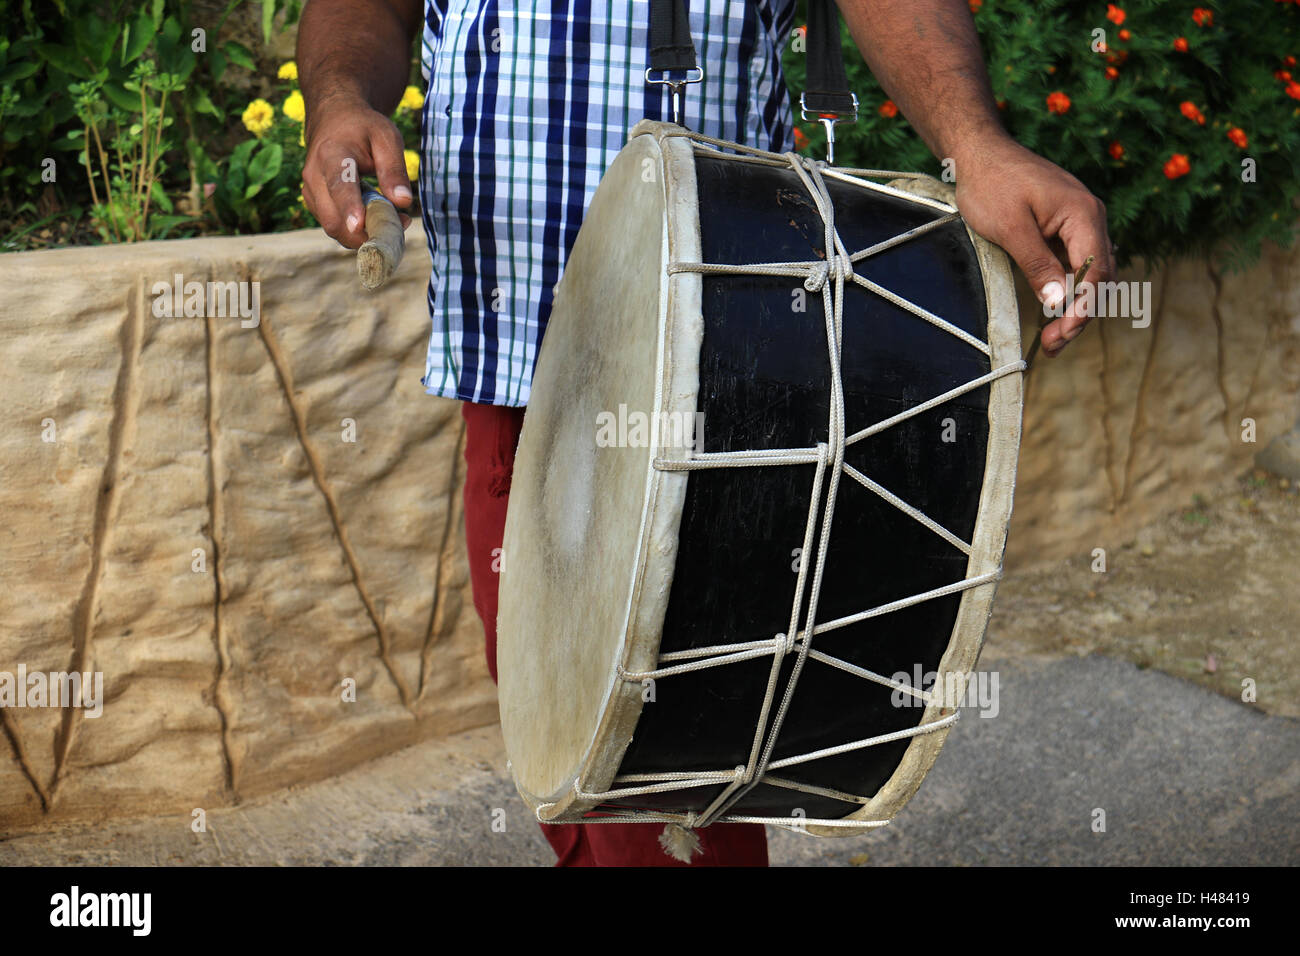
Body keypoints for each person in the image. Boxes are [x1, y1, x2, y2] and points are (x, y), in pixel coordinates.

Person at [297, 0, 1114, 867]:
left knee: (665, 781)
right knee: (564, 753)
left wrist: (973, 142)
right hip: (514, 358)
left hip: (725, 356)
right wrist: (340, 98)